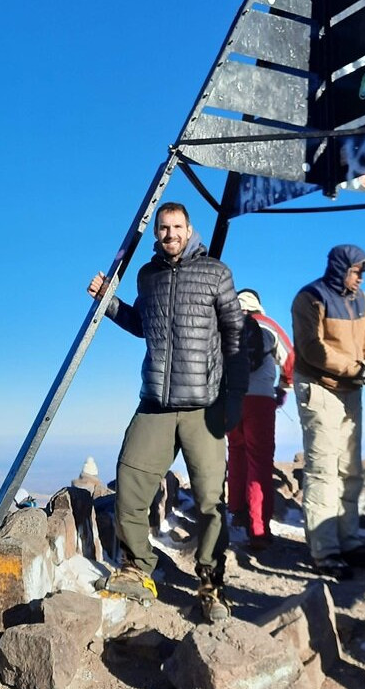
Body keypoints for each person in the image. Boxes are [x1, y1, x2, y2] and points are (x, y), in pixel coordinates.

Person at [87, 202, 248, 621]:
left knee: (212, 502)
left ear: (189, 229)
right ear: (156, 232)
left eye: (177, 227)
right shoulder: (148, 275)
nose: (169, 234)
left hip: (204, 406)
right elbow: (143, 324)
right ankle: (137, 567)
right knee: (129, 482)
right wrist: (110, 302)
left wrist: (234, 394)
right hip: (155, 402)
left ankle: (211, 586)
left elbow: (234, 332)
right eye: (163, 227)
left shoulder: (216, 272)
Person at [291, 244, 365, 580]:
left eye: (363, 272)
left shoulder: (361, 300)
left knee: (350, 469)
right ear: (340, 268)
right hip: (319, 389)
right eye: (356, 271)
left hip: (351, 389)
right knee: (322, 469)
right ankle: (325, 550)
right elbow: (312, 350)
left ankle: (349, 541)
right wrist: (360, 369)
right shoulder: (310, 298)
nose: (361, 278)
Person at [227, 288, 294, 549]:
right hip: (261, 400)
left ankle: (236, 511)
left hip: (231, 398)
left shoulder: (226, 322)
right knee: (260, 461)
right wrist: (283, 389)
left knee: (236, 452)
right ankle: (258, 528)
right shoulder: (268, 325)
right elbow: (290, 362)